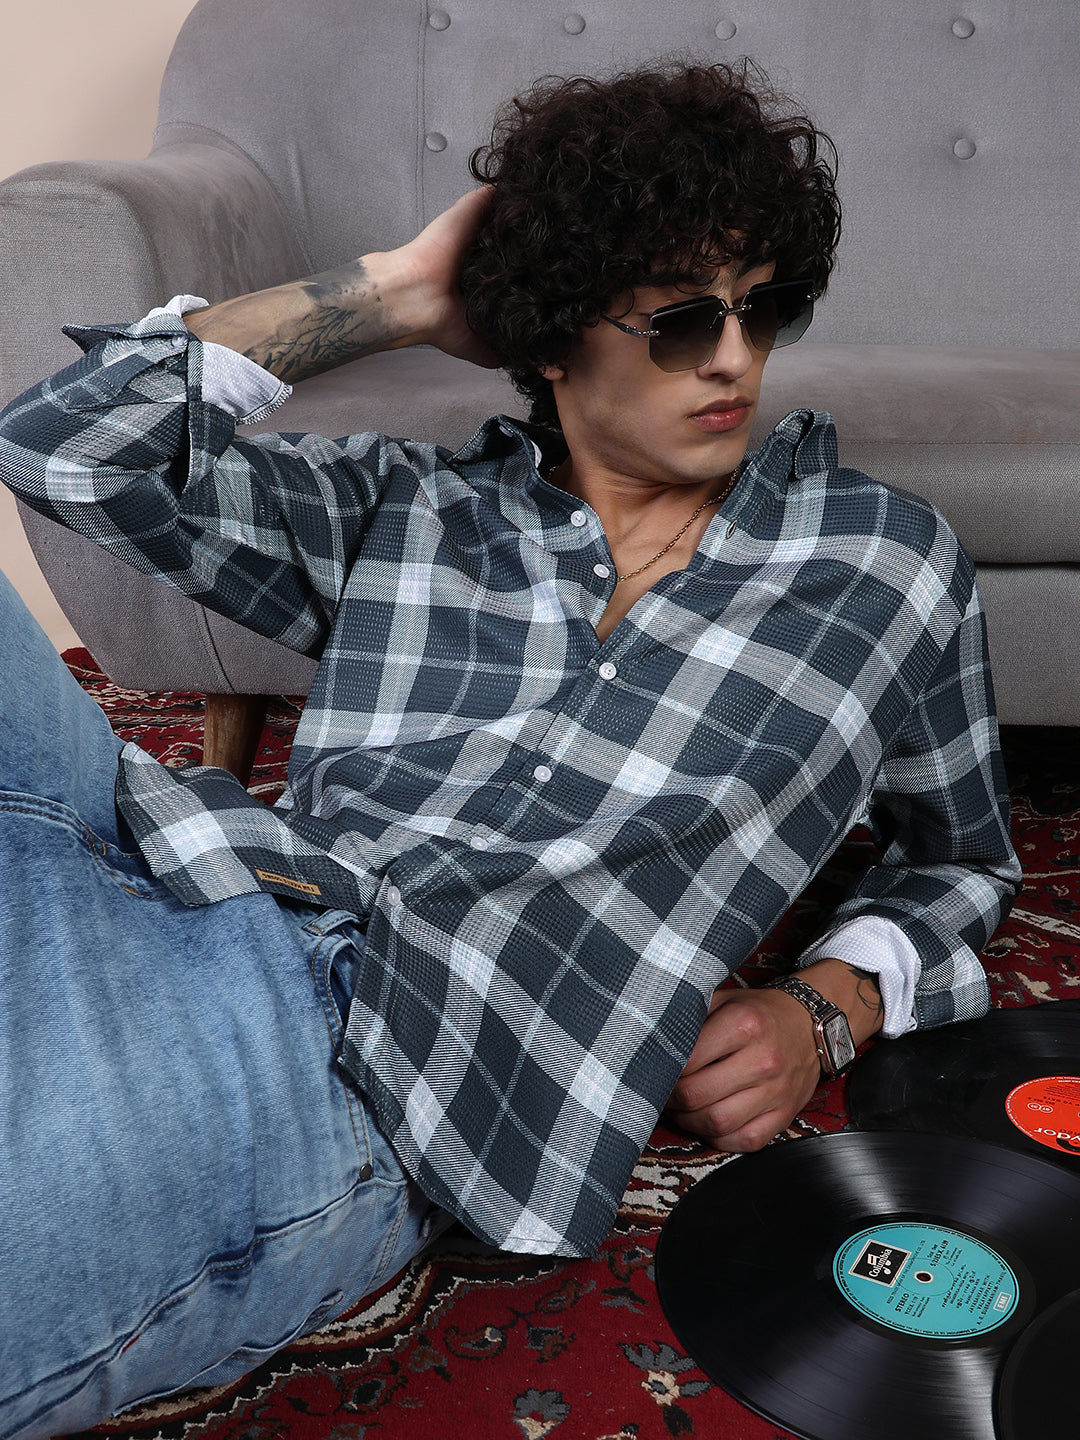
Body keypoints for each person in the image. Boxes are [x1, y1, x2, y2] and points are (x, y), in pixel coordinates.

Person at [0, 61, 1019, 1436]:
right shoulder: (407, 509)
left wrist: (826, 1005)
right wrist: (396, 296)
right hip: (162, 880)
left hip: (371, 1065)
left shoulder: (883, 563)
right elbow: (63, 449)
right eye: (680, 319)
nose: (736, 358)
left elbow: (960, 862)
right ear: (547, 338)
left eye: (763, 306)